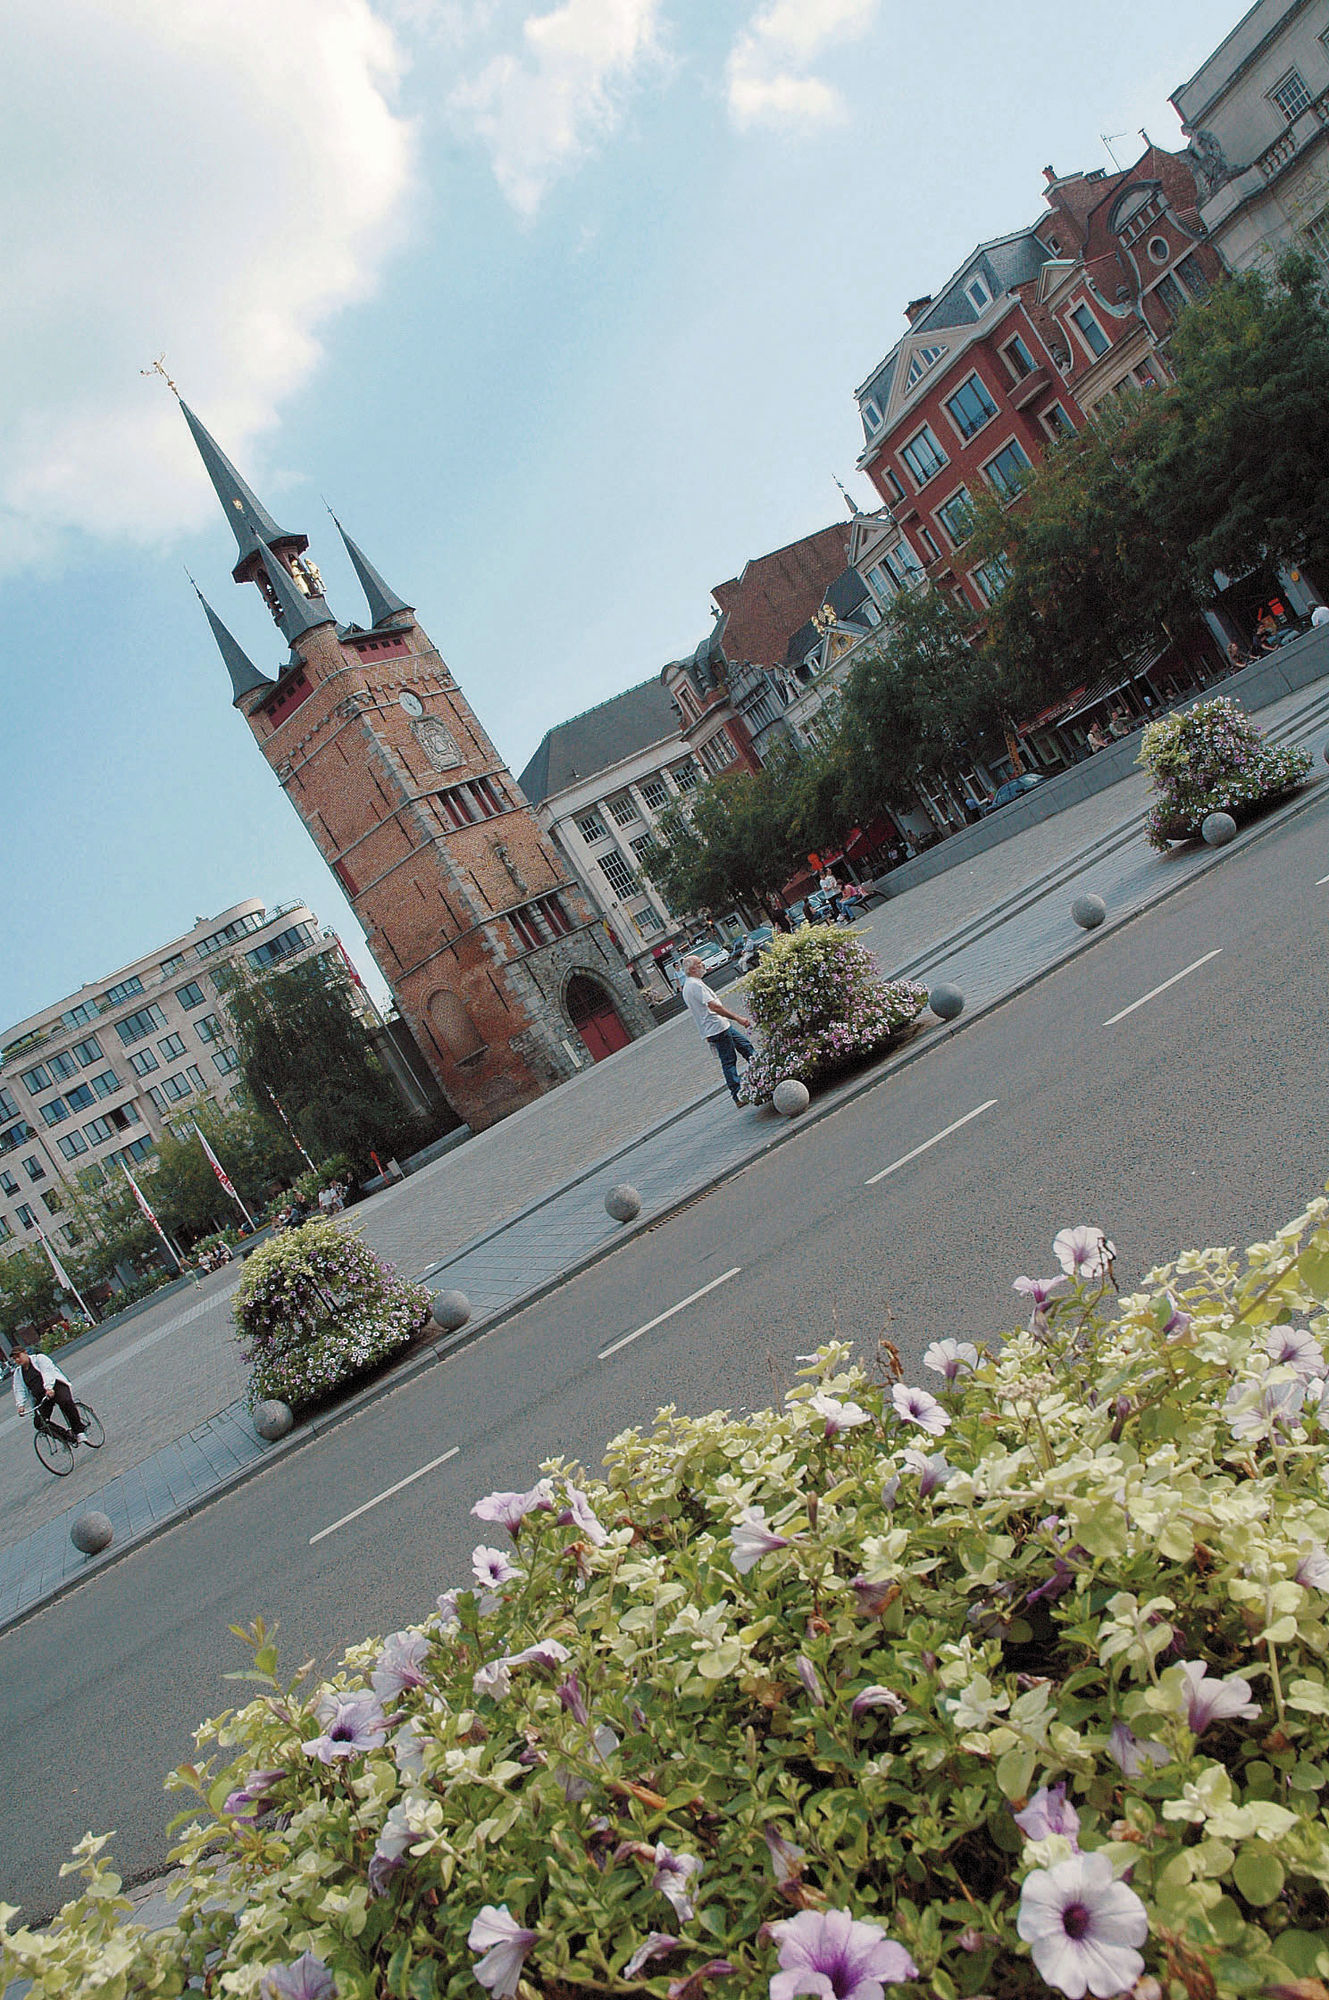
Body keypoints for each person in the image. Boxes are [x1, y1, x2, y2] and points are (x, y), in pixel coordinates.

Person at [680, 953, 755, 1107]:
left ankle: (761, 1071)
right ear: (693, 968)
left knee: (746, 1047)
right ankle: (738, 1095)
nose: (703, 965)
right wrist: (737, 1017)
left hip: (719, 1027)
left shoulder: (689, 985)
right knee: (729, 1061)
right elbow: (713, 1006)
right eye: (700, 963)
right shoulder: (695, 985)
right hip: (717, 1027)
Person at [9, 1341, 86, 1441]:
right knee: (39, 1423)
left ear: (25, 1352)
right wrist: (20, 1405)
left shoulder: (39, 1359)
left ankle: (79, 1430)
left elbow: (47, 1372)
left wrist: (49, 1387)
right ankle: (66, 1437)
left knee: (65, 1402)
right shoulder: (18, 1373)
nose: (17, 1360)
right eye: (14, 1359)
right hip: (41, 1396)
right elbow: (19, 1389)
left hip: (55, 1387)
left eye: (18, 1356)